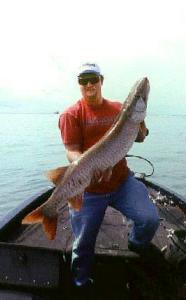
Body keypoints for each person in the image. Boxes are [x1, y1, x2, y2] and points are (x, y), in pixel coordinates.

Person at [58, 63, 159, 290]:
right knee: (83, 243)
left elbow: (141, 137)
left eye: (93, 78)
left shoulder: (117, 109)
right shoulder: (70, 115)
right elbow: (71, 150)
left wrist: (139, 122)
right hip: (88, 190)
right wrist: (87, 165)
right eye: (83, 80)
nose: (89, 84)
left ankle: (136, 243)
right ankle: (81, 282)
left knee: (149, 219)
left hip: (121, 182)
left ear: (101, 80)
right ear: (79, 84)